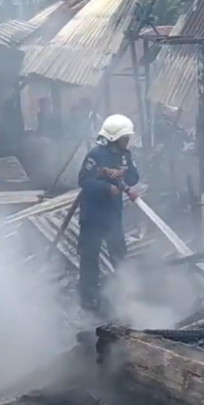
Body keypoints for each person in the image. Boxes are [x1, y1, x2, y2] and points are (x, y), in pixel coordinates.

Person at [76, 114, 140, 313]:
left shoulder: (125, 156)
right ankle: (88, 300)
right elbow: (83, 181)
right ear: (114, 137)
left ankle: (124, 293)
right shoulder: (95, 155)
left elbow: (134, 177)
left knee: (119, 255)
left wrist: (123, 174)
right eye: (124, 138)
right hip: (93, 215)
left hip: (113, 216)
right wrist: (106, 188)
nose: (127, 141)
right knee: (89, 257)